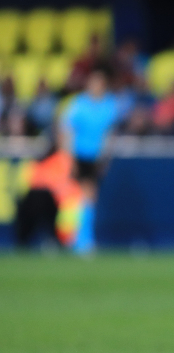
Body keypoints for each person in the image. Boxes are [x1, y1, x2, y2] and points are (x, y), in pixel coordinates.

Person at [62, 65, 122, 254]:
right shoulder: (79, 104)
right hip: (80, 155)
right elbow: (67, 130)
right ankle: (83, 240)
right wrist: (69, 157)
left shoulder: (109, 105)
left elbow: (109, 134)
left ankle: (80, 238)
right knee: (86, 196)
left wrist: (105, 158)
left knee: (87, 198)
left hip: (97, 157)